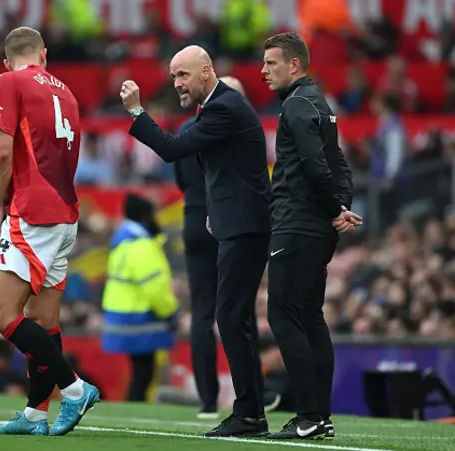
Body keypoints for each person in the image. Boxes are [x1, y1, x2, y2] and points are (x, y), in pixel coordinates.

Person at [121, 45, 272, 438]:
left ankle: (253, 412)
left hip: (244, 225)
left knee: (230, 316)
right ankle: (253, 409)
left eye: (183, 75)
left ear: (207, 70)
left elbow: (171, 150)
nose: (177, 84)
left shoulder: (224, 106)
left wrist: (137, 112)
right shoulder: (215, 108)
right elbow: (226, 169)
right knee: (232, 317)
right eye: (173, 77)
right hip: (234, 222)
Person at [0, 26, 99, 437]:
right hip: (66, 212)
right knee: (44, 321)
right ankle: (35, 413)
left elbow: (2, 151)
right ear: (45, 55)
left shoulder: (9, 81)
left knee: (1, 314)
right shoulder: (67, 92)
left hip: (32, 210)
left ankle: (74, 389)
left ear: (6, 60)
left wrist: (0, 201)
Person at [260, 32, 361, 440]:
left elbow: (316, 164)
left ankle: (309, 415)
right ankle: (321, 415)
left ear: (294, 65)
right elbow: (339, 164)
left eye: (271, 63)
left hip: (297, 224)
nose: (264, 70)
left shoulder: (297, 106)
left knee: (283, 316)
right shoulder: (319, 104)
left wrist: (336, 208)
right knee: (309, 317)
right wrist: (340, 208)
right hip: (316, 227)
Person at [173, 75, 245, 420]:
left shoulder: (188, 129)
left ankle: (206, 401)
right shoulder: (234, 126)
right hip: (225, 219)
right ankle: (251, 394)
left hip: (192, 218)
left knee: (202, 313)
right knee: (238, 309)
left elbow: (180, 175)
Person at [101, 194, 179, 402]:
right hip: (141, 318)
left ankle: (132, 403)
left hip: (122, 314)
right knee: (144, 373)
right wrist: (170, 313)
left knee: (139, 372)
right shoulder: (142, 246)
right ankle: (134, 404)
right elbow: (155, 289)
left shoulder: (122, 243)